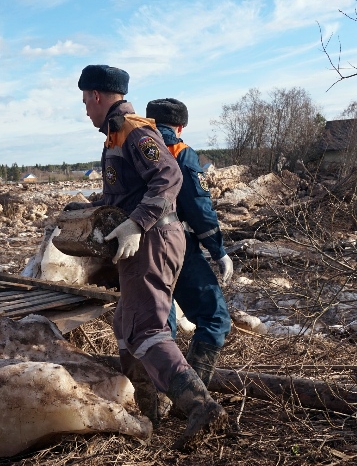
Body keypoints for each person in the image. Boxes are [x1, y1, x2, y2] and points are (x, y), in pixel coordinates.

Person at [69, 65, 226, 449]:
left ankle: (200, 405)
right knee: (125, 324)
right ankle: (149, 410)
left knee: (146, 329)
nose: (85, 109)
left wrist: (137, 223)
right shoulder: (114, 135)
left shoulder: (132, 130)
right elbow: (123, 193)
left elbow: (169, 177)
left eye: (85, 100)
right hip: (141, 241)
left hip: (152, 239)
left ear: (97, 95)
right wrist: (89, 208)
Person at [145, 98, 233, 388]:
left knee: (160, 330)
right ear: (180, 127)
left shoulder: (130, 149)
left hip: (138, 250)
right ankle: (192, 395)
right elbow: (198, 207)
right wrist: (219, 251)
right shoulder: (180, 152)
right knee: (215, 318)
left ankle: (161, 399)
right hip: (176, 246)